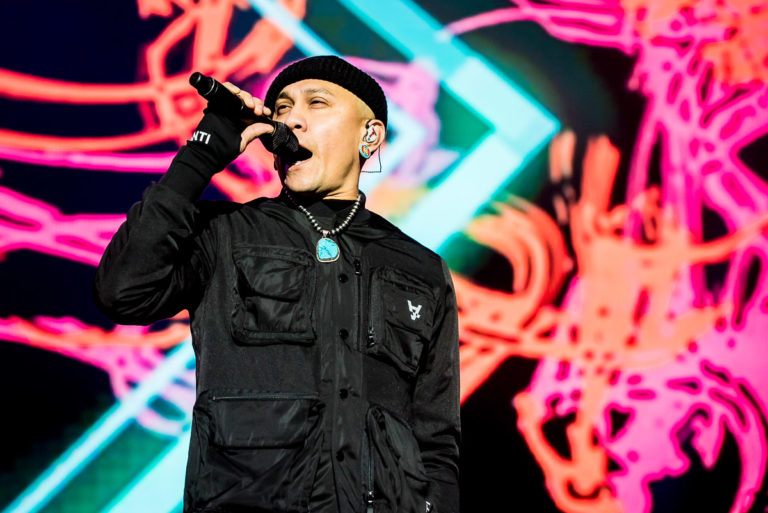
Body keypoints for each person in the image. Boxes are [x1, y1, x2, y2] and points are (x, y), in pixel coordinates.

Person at [93, 55, 460, 513]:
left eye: (316, 103)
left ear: (369, 136)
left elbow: (436, 439)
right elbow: (122, 293)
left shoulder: (421, 269)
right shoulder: (224, 233)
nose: (291, 120)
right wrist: (201, 155)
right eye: (283, 107)